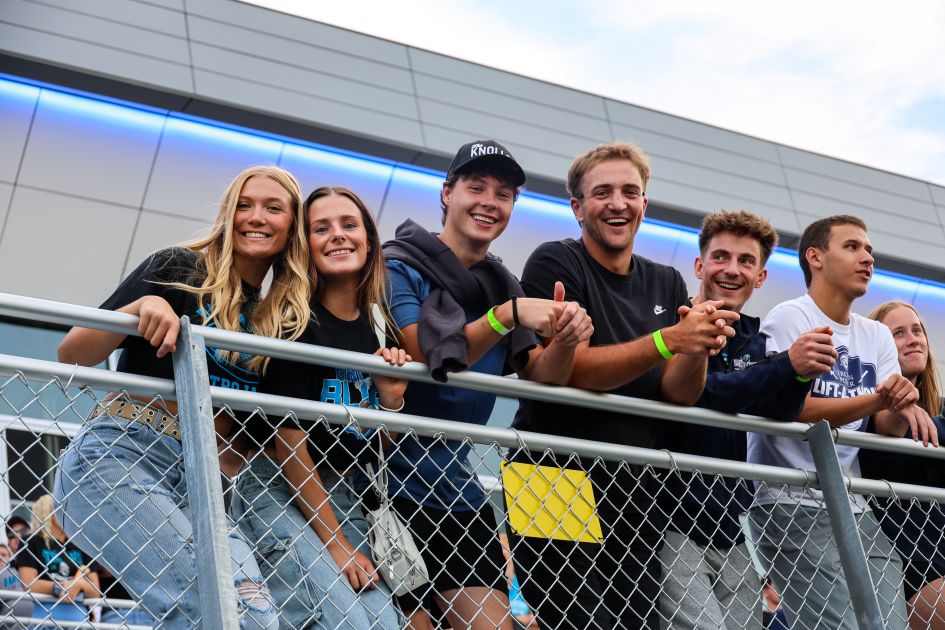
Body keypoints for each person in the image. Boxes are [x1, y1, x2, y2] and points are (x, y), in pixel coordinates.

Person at [53, 165, 313, 628]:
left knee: (255, 617)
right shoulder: (179, 267)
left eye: (274, 208)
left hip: (202, 483)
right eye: (244, 205)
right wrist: (141, 307)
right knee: (214, 613)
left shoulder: (277, 319)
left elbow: (252, 441)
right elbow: (72, 351)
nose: (256, 217)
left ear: (292, 225)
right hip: (121, 455)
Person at [508, 141, 739, 629]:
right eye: (602, 192)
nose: (618, 203)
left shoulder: (666, 280)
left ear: (644, 205)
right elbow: (570, 370)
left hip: (635, 481)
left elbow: (679, 393)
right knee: (576, 620)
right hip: (548, 473)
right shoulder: (554, 262)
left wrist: (697, 345)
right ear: (577, 207)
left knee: (633, 622)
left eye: (630, 192)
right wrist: (667, 339)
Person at [383, 139, 593, 629]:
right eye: (475, 187)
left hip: (457, 491)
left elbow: (542, 374)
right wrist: (505, 316)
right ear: (446, 194)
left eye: (503, 194)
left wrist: (564, 339)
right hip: (384, 486)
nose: (488, 202)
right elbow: (422, 352)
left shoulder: (504, 283)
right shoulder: (397, 263)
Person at [748, 215, 938, 630]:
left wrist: (901, 402)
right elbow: (792, 409)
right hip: (789, 500)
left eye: (869, 250)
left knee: (888, 625)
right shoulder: (788, 317)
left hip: (854, 503)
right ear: (814, 257)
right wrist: (878, 397)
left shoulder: (876, 335)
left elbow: (885, 425)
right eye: (852, 247)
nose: (867, 257)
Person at [232, 186, 405, 629]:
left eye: (349, 225)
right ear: (305, 246)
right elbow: (290, 445)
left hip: (345, 494)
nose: (337, 236)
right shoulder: (293, 321)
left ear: (368, 239)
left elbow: (374, 443)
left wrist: (391, 397)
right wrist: (336, 545)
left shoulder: (381, 328)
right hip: (281, 486)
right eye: (320, 228)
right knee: (338, 620)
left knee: (384, 624)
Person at [659, 210, 827, 629]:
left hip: (734, 524)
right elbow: (707, 392)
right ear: (699, 265)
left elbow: (777, 409)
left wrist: (803, 369)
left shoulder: (756, 336)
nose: (732, 270)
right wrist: (787, 363)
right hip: (668, 519)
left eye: (746, 261)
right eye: (720, 257)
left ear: (761, 277)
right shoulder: (673, 321)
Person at [860, 301, 945, 630]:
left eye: (917, 330)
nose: (913, 339)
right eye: (898, 333)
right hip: (908, 570)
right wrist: (900, 400)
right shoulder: (868, 413)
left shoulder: (935, 412)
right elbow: (891, 424)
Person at [16, 495, 99, 627]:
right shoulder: (32, 541)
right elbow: (29, 584)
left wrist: (79, 584)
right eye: (60, 507)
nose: (66, 512)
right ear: (47, 512)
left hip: (79, 619)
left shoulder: (80, 543)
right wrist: (62, 587)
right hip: (45, 618)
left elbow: (96, 592)